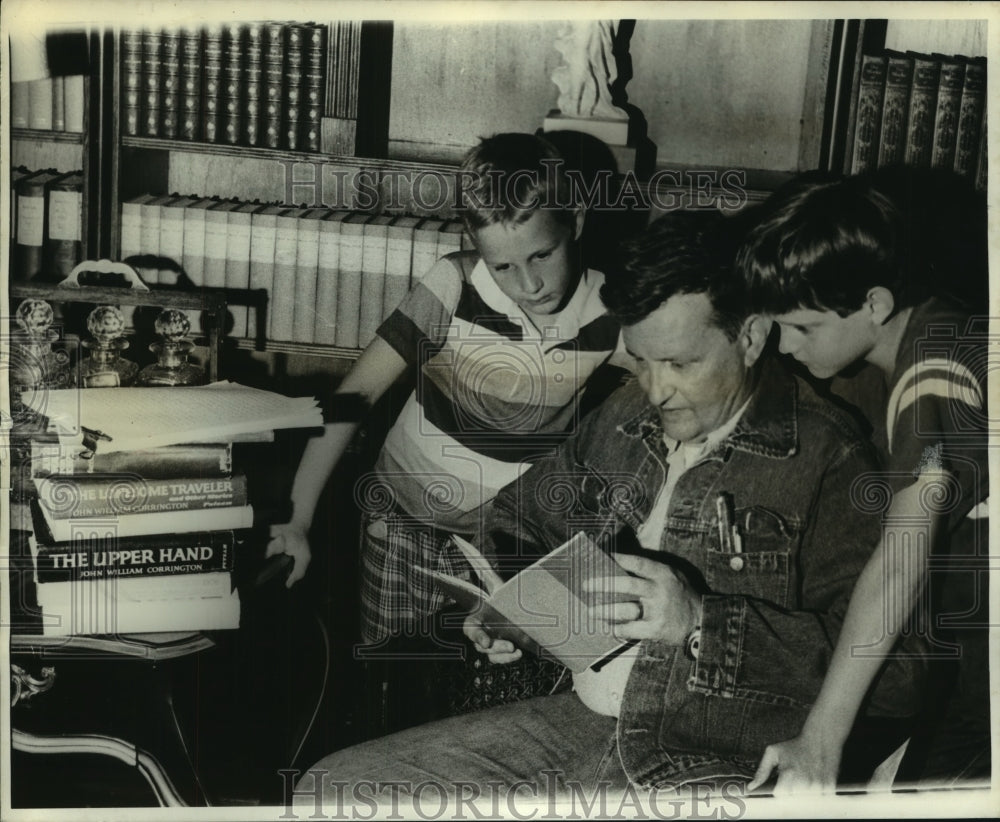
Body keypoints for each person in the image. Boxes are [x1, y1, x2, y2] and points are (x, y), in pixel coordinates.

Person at [292, 211, 923, 811]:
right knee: (328, 788)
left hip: (713, 754)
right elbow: (512, 521)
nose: (656, 390)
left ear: (752, 336)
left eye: (680, 363)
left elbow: (902, 677)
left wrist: (703, 619)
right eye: (641, 361)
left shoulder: (828, 456)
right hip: (589, 722)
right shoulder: (627, 415)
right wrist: (510, 611)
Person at [267, 132, 629, 643]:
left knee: (479, 696)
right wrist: (299, 519)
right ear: (475, 244)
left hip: (500, 549)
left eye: (542, 255)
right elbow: (351, 402)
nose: (529, 285)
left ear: (578, 220)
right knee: (392, 686)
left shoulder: (609, 313)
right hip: (399, 528)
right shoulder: (453, 286)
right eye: (503, 266)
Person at [737, 174, 990, 793]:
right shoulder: (944, 331)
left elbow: (905, 555)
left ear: (874, 304)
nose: (788, 347)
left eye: (804, 327)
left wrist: (823, 737)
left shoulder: (933, 365)